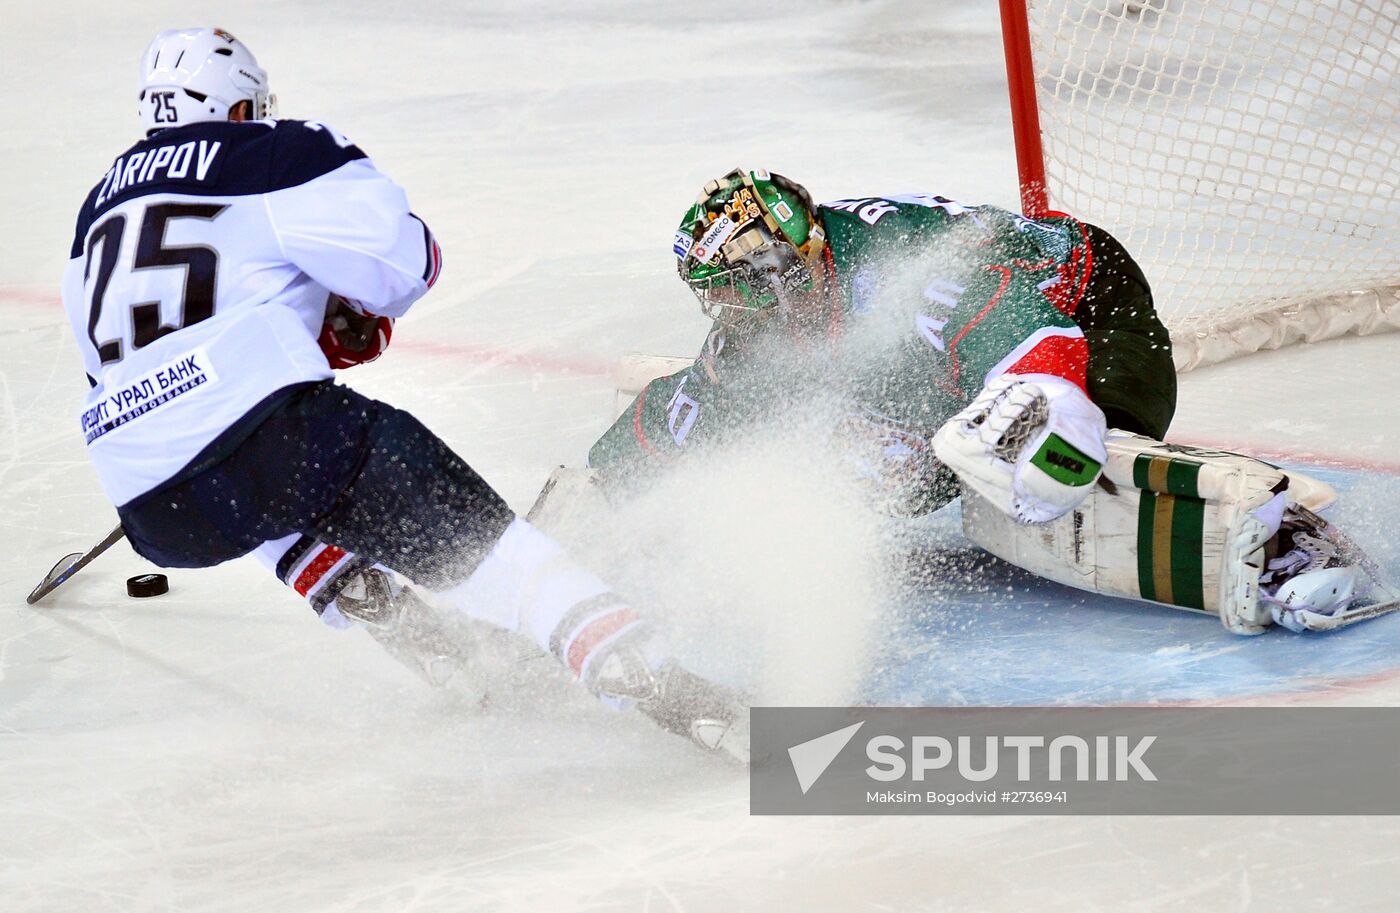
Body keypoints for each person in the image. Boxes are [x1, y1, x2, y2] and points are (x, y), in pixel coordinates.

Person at [60, 28, 746, 758]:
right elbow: (405, 265)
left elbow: (121, 361)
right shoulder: (273, 152)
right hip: (270, 439)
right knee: (498, 559)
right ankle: (667, 685)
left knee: (240, 481)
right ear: (238, 109)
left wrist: (286, 320)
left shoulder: (92, 213)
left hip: (148, 502)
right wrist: (328, 309)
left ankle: (354, 585)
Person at [585, 169, 1384, 634]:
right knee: (872, 474)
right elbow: (690, 409)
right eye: (717, 298)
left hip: (1087, 311)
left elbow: (1043, 345)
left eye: (740, 294)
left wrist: (1022, 416)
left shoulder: (910, 267)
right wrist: (596, 495)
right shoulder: (786, 302)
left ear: (788, 269)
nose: (733, 317)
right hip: (958, 357)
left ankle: (1296, 545)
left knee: (1046, 467)